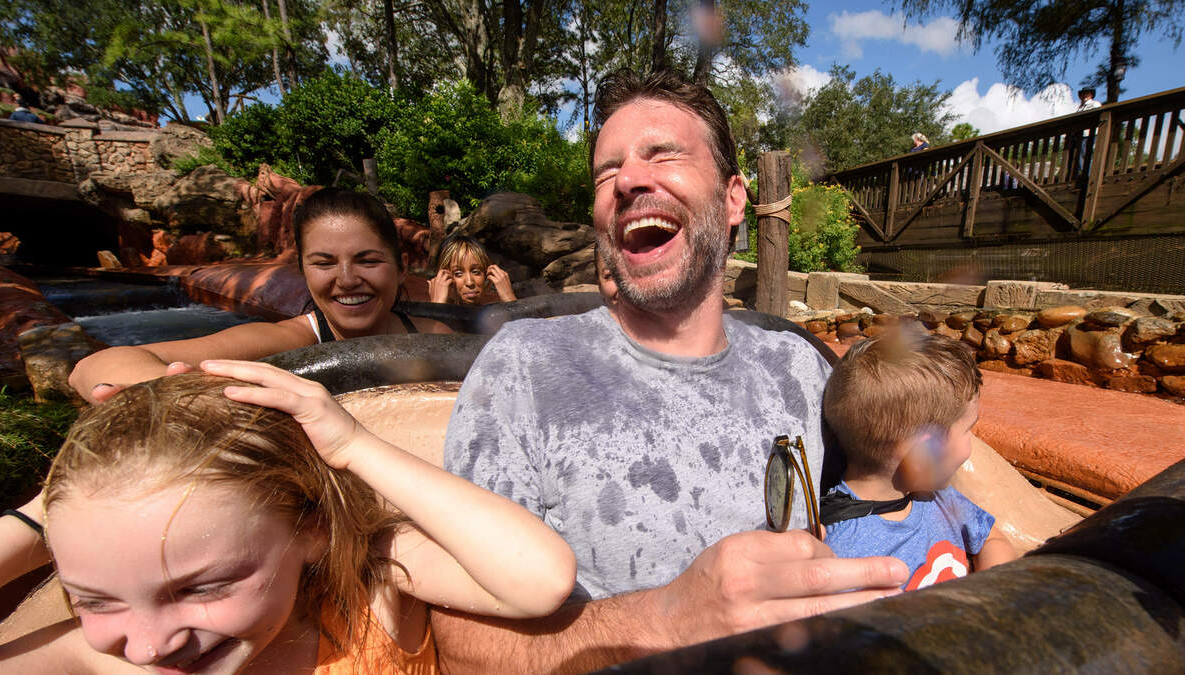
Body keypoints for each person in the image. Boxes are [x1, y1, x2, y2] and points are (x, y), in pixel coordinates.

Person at [430, 68, 908, 674]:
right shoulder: (525, 367)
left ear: (733, 199)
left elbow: (906, 496)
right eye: (607, 173)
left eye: (663, 155)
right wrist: (666, 621)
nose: (628, 180)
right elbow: (463, 646)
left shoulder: (797, 368)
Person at [0, 366, 575, 673]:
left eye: (201, 588)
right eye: (93, 600)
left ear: (311, 528)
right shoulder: (103, 658)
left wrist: (352, 445)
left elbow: (537, 579)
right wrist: (52, 507)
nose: (147, 647)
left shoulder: (366, 586)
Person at [69, 188, 451, 404]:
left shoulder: (433, 335)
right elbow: (94, 366)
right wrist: (174, 395)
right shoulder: (290, 339)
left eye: (368, 260)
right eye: (324, 263)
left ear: (402, 267)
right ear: (303, 270)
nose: (347, 280)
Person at [820, 332, 1018, 590]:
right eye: (968, 430)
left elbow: (992, 541)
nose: (973, 441)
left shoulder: (939, 498)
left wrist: (989, 593)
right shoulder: (842, 550)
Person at [426, 235, 516, 305]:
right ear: (441, 278)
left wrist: (509, 298)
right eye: (458, 274)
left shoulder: (495, 313)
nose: (469, 283)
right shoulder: (423, 317)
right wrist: (437, 304)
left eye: (476, 272)